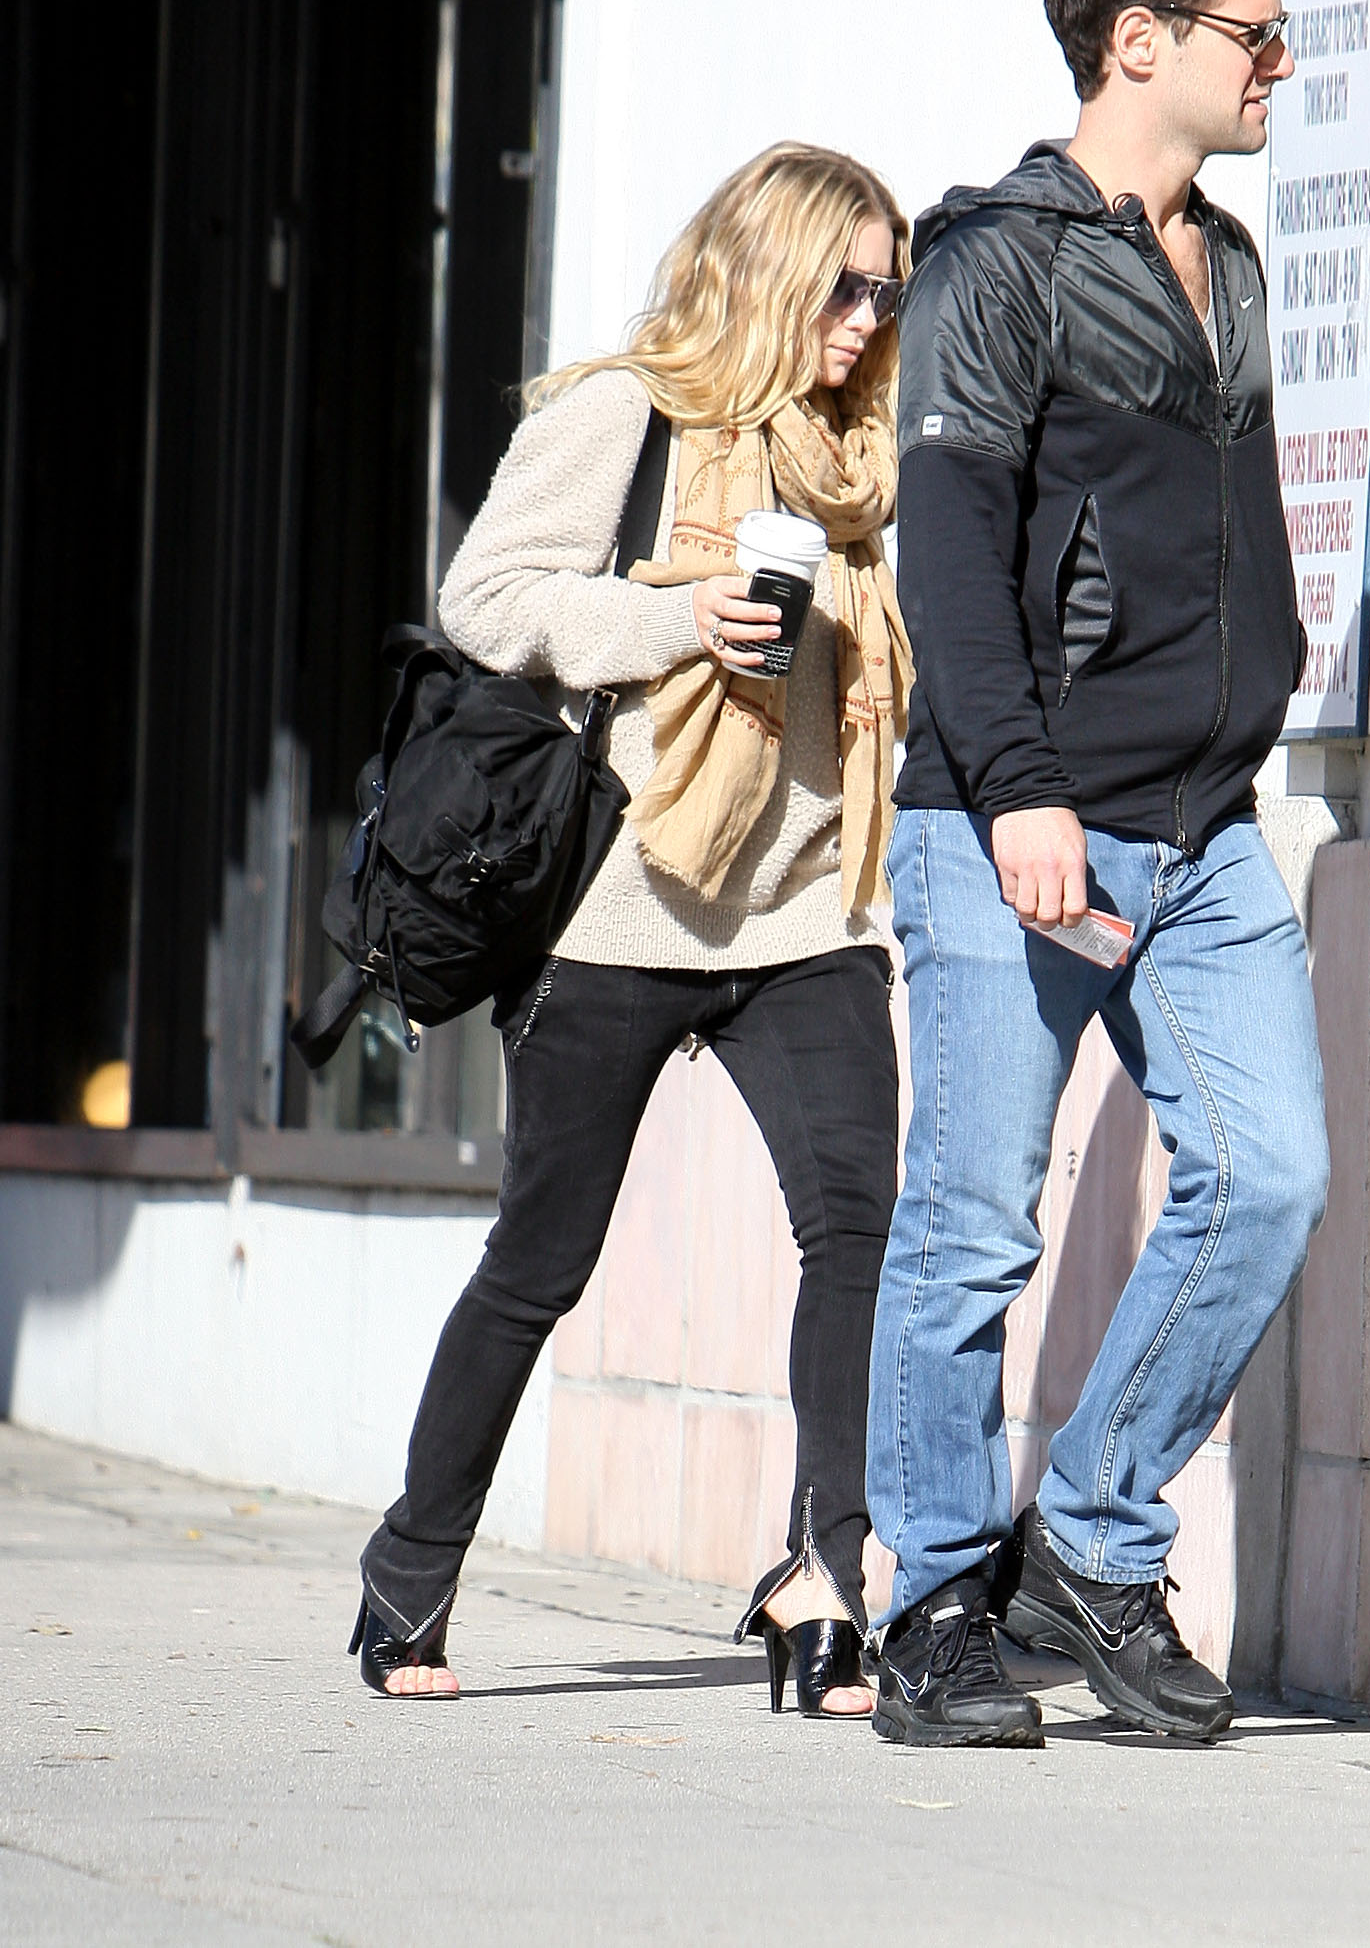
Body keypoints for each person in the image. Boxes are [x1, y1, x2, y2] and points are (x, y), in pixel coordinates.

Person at [348, 143, 912, 1718]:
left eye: (887, 292)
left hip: (803, 909)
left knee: (855, 1228)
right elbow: (486, 597)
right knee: (542, 1260)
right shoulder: (626, 412)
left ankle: (826, 1574)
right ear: (768, 268)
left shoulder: (856, 462)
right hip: (618, 908)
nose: (867, 319)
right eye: (843, 285)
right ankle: (409, 1570)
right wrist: (678, 617)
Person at [864, 0, 1332, 1747]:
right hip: (1018, 824)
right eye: (1253, 31)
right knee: (975, 1222)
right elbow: (949, 552)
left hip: (1205, 826)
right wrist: (1022, 792)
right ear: (1140, 41)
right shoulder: (995, 261)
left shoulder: (1234, 264)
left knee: (1271, 1174)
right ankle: (931, 1604)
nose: (1279, 60)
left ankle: (1088, 1538)